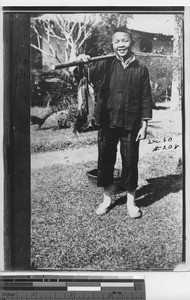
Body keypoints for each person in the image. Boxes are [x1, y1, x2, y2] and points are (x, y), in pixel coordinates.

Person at [74, 27, 152, 218]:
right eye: (117, 41)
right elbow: (84, 75)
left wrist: (145, 123)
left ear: (131, 42)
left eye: (124, 41)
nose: (121, 45)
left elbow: (146, 97)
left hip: (131, 123)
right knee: (106, 160)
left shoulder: (140, 68)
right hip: (107, 122)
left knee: (131, 162)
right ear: (112, 45)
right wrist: (82, 63)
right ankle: (107, 199)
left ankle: (131, 203)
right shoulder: (105, 64)